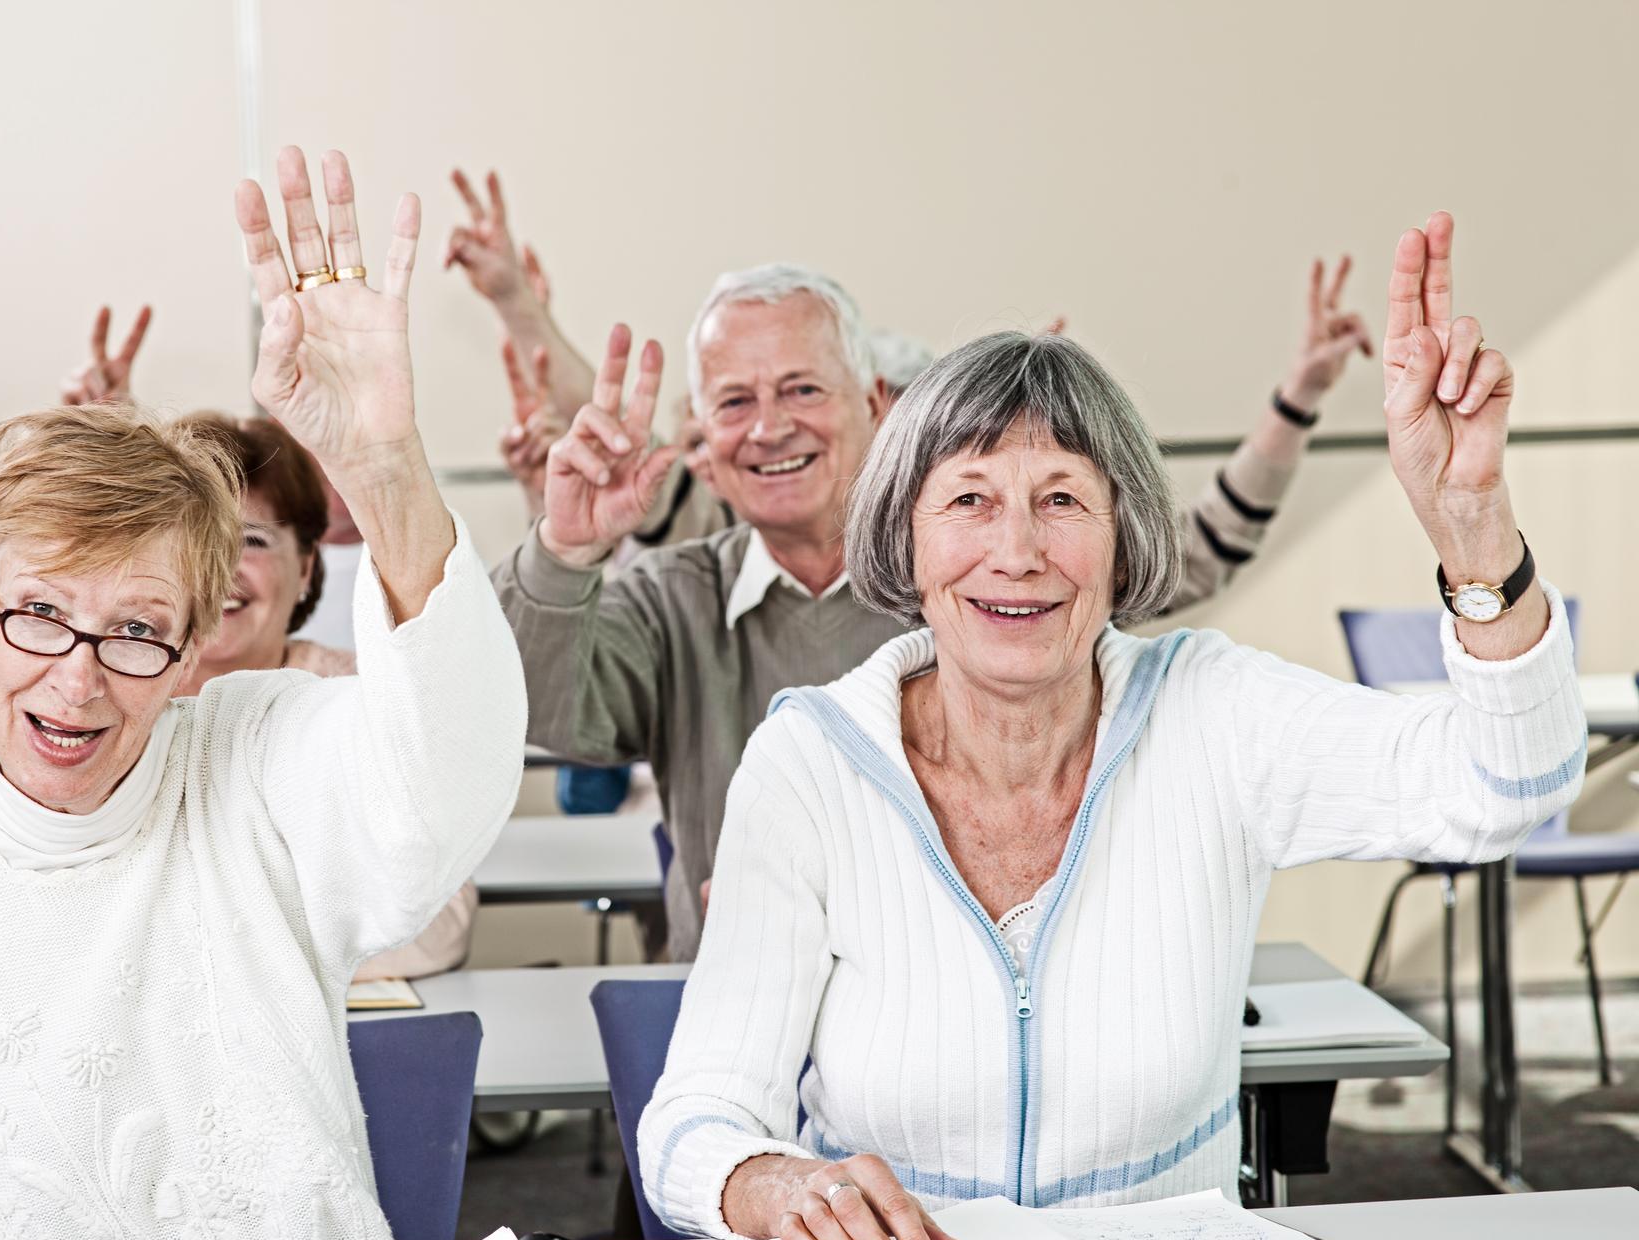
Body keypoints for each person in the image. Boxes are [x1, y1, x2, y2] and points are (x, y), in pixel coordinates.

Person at [637, 213, 1584, 1240]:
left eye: (1062, 500)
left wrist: (1471, 526)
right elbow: (692, 1122)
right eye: (969, 500)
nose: (1019, 550)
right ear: (904, 534)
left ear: (1123, 532)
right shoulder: (810, 763)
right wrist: (779, 1184)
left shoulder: (1215, 713)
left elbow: (1512, 783)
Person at [0, 146, 524, 1240]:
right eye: (40, 612)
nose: (78, 677)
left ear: (198, 640)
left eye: (138, 629)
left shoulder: (256, 754)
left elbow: (446, 782)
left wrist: (383, 462)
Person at [494, 257, 1372, 960]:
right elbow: (527, 702)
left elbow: (1200, 552)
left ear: (877, 406)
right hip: (734, 1038)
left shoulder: (986, 582)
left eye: (802, 389)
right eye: (735, 401)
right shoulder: (674, 597)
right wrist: (566, 548)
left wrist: (1295, 400)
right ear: (703, 442)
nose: (768, 427)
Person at [173, 413, 478, 979]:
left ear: (307, 566)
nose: (221, 570)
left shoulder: (365, 701)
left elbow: (441, 925)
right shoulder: (112, 697)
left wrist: (242, 959)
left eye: (253, 540)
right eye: (198, 539)